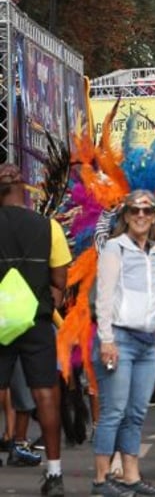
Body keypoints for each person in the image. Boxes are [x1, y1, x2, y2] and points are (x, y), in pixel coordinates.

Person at [91, 190, 155, 497]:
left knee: (136, 413)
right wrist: (107, 339)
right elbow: (105, 296)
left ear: (154, 218)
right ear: (125, 216)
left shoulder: (154, 252)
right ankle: (100, 481)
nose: (140, 216)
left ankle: (131, 478)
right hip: (120, 340)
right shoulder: (115, 248)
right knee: (113, 411)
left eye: (147, 211)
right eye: (135, 211)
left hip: (146, 342)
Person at [0, 164, 70, 496]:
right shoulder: (48, 227)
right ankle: (54, 473)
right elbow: (60, 283)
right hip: (37, 321)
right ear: (24, 188)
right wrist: (38, 307)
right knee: (45, 394)